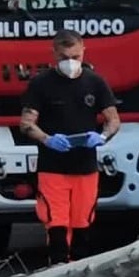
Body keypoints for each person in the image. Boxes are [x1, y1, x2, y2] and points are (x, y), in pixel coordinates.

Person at [19, 30, 119, 263]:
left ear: (83, 51)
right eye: (64, 58)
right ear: (54, 54)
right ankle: (58, 268)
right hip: (52, 168)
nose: (70, 63)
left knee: (83, 222)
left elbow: (113, 120)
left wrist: (102, 137)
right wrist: (48, 139)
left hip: (85, 168)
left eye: (75, 57)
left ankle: (80, 271)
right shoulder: (41, 84)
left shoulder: (95, 82)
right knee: (57, 224)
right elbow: (26, 123)